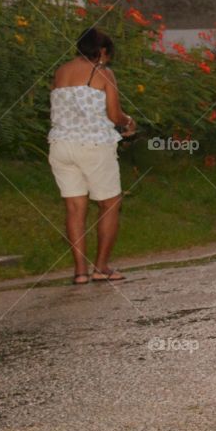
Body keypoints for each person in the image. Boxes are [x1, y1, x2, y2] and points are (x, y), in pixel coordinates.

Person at [48, 27, 136, 284]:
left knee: (75, 208)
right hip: (94, 146)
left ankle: (80, 272)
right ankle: (101, 267)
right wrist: (129, 122)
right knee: (109, 204)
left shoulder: (61, 71)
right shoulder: (103, 73)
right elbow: (114, 115)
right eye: (108, 55)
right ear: (103, 52)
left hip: (61, 146)